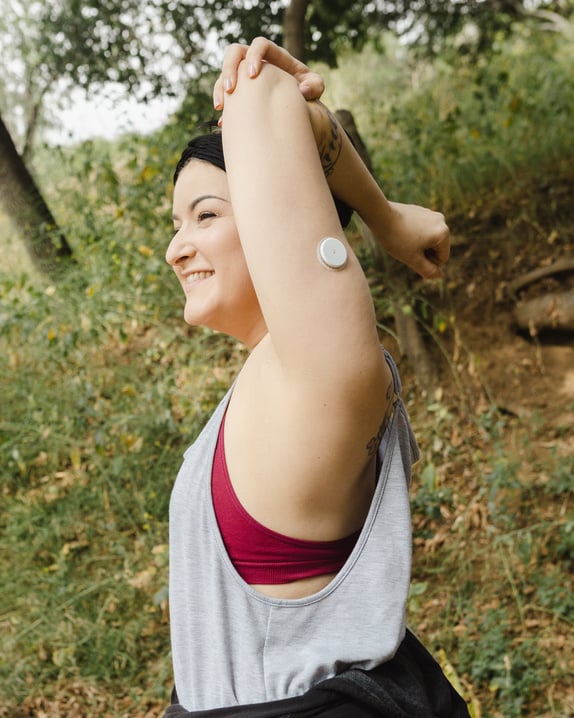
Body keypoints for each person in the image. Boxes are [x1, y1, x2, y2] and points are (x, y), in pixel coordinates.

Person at [164, 38, 469, 717]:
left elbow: (261, 93)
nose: (175, 246)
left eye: (206, 215)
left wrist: (387, 222)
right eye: (176, 223)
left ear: (285, 219)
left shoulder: (320, 367)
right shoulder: (264, 383)